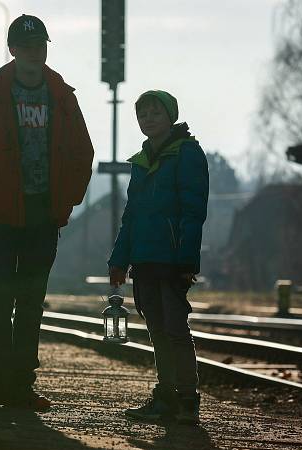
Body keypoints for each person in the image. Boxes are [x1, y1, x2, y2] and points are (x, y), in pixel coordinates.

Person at [0, 14, 93, 411]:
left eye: (41, 45)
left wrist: (65, 203)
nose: (35, 53)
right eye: (27, 46)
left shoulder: (62, 95)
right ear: (12, 49)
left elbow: (84, 153)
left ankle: (22, 386)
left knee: (31, 301)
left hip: (42, 217)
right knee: (0, 300)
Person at [107, 90, 209, 424]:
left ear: (171, 115)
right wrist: (119, 259)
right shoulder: (140, 161)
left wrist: (187, 260)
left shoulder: (187, 154)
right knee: (156, 329)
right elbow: (131, 215)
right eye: (143, 115)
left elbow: (194, 212)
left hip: (172, 258)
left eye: (155, 112)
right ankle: (166, 396)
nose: (148, 119)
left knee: (176, 327)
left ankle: (187, 399)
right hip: (144, 259)